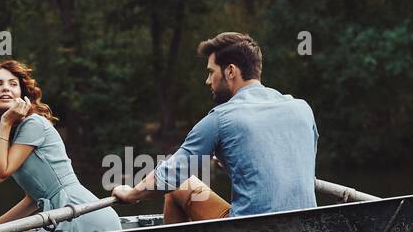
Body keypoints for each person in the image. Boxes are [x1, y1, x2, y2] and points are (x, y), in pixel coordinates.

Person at [111, 32, 317, 221]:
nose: (207, 81)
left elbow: (171, 174)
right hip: (307, 230)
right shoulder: (302, 109)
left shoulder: (220, 119)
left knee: (180, 186)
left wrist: (131, 194)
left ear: (230, 71)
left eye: (211, 72)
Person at [0, 59, 122, 232]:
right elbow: (34, 200)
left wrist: (5, 121)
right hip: (61, 215)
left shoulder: (33, 123)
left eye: (13, 84)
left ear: (22, 93)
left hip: (81, 214)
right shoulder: (13, 134)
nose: (6, 88)